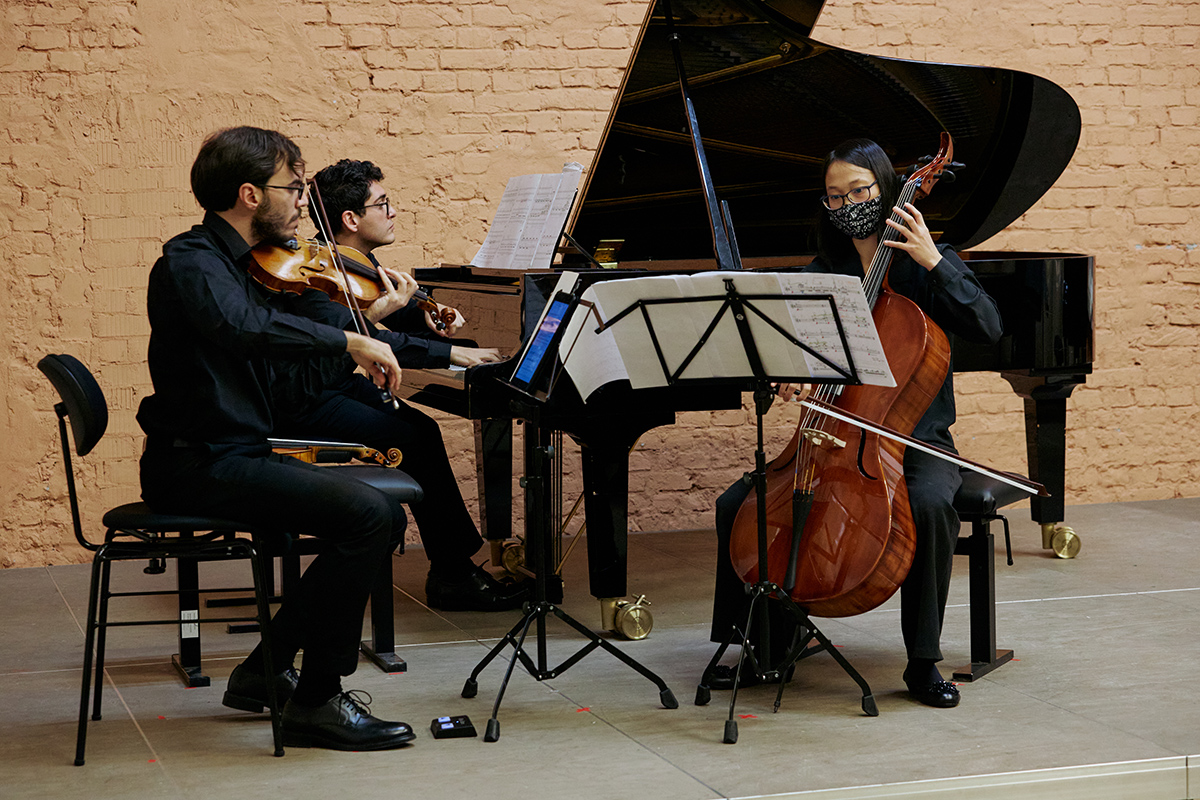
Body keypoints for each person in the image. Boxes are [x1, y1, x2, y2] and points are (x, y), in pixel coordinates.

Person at [136, 126, 415, 751]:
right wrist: (349, 339)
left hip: (235, 450)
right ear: (249, 196)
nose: (301, 202)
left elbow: (275, 354)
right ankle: (315, 699)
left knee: (380, 518)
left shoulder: (239, 267)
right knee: (368, 516)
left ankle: (266, 670)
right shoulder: (190, 261)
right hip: (198, 462)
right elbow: (244, 328)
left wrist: (358, 333)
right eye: (292, 187)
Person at [707, 138, 1003, 708]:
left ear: (886, 189)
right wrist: (789, 375)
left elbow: (988, 327)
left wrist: (935, 262)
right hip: (827, 434)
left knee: (931, 507)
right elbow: (788, 354)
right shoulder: (826, 272)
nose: (848, 204)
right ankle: (758, 646)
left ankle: (922, 662)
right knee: (734, 506)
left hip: (913, 442)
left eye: (859, 191)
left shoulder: (925, 263)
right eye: (835, 197)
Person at [269, 158, 525, 612]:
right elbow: (359, 332)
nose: (391, 212)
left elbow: (381, 307)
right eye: (382, 204)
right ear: (350, 219)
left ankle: (452, 566)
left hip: (332, 387)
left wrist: (427, 315)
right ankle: (452, 572)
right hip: (302, 399)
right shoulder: (313, 275)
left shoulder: (353, 264)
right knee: (415, 435)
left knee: (420, 433)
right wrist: (453, 354)